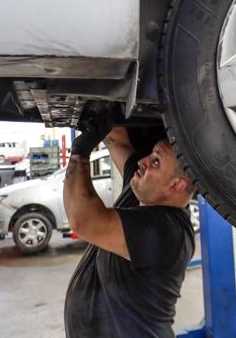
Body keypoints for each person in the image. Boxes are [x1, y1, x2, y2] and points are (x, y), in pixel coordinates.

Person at [64, 108, 196, 338]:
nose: (143, 161)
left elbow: (82, 220)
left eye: (155, 162)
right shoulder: (143, 192)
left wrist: (80, 152)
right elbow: (119, 143)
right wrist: (102, 117)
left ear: (177, 185)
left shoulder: (166, 232)